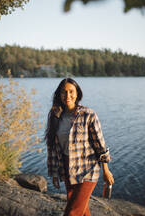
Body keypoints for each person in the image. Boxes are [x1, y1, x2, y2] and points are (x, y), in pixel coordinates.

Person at [45, 78, 114, 216]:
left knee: (72, 212)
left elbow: (100, 145)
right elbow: (52, 147)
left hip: (87, 169)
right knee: (81, 210)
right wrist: (54, 172)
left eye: (71, 91)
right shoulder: (55, 116)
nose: (67, 95)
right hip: (66, 168)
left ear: (77, 94)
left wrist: (106, 170)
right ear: (59, 95)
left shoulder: (89, 115)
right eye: (64, 92)